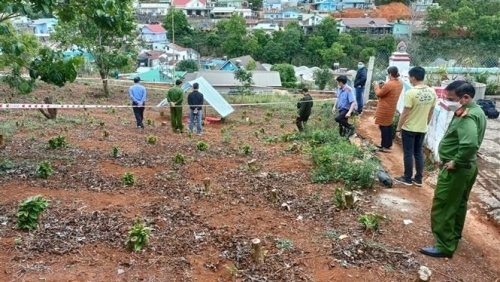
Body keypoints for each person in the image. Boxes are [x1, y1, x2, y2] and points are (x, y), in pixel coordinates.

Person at [420, 81, 487, 258]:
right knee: (458, 204)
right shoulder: (478, 111)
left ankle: (444, 245)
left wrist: (455, 161)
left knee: (444, 204)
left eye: (451, 99)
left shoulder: (468, 116)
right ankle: (453, 236)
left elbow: (470, 143)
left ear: (465, 97)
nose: (448, 102)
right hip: (468, 168)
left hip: (457, 170)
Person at [395, 67, 437, 186]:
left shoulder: (411, 93)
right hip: (422, 128)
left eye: (409, 77)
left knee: (408, 153)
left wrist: (398, 128)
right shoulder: (432, 92)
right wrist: (426, 124)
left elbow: (405, 112)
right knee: (418, 152)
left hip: (409, 128)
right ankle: (418, 179)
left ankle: (407, 178)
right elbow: (431, 111)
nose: (409, 79)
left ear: (413, 77)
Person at [372, 66, 403, 152]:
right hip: (392, 107)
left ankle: (384, 146)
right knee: (388, 125)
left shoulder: (389, 84)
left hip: (384, 108)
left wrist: (376, 86)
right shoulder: (399, 83)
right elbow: (389, 90)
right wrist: (384, 85)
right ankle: (388, 144)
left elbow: (379, 93)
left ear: (390, 74)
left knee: (383, 127)